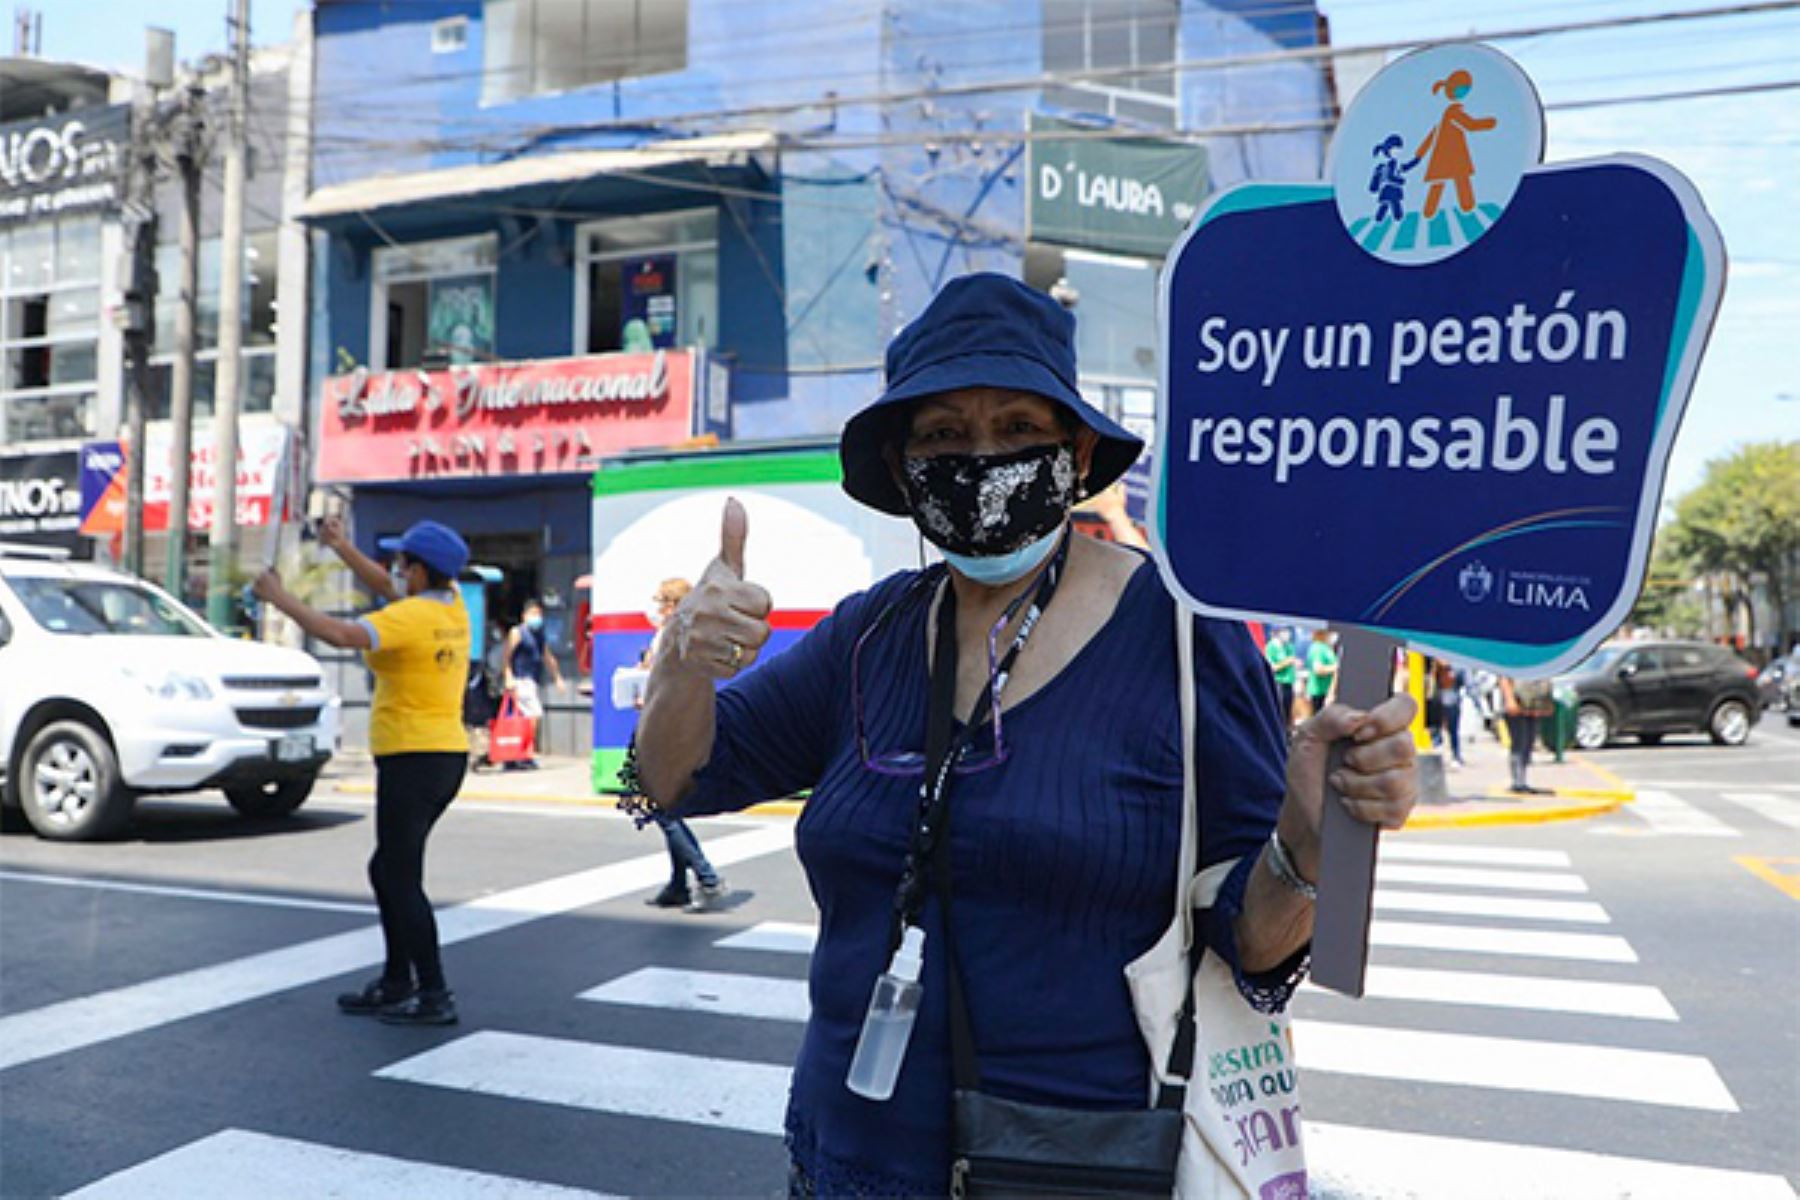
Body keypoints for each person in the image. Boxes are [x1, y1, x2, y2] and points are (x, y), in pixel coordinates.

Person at [629, 273, 1419, 1195]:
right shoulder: (869, 635)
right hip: (846, 1161)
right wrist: (680, 666)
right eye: (942, 435)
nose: (979, 459)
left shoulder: (1181, 637)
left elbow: (1255, 942)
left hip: (1067, 1165)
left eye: (1016, 429)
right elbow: (671, 781)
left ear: (1077, 452)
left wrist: (1309, 843)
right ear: (902, 467)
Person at [253, 517, 472, 1026]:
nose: (394, 572)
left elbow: (339, 633)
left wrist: (277, 597)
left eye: (401, 564)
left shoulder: (409, 619)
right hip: (442, 755)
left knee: (397, 875)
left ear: (418, 572)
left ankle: (433, 993)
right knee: (390, 870)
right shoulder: (451, 606)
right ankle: (399, 982)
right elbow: (385, 585)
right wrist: (341, 546)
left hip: (413, 758)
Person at [638, 578, 727, 913]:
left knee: (663, 808)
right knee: (668, 804)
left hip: (667, 731)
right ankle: (679, 885)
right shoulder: (693, 635)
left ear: (674, 605)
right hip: (681, 728)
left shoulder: (673, 635)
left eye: (661, 600)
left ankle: (707, 877)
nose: (656, 607)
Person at [1411, 68, 1498, 219]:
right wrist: (1490, 123)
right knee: (1456, 180)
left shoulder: (1450, 112)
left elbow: (1431, 136)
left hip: (1447, 154)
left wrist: (1419, 154)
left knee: (1449, 181)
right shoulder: (1452, 112)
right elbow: (1470, 125)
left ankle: (1434, 211)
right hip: (1452, 154)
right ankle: (1459, 208)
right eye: (1463, 90)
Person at [503, 599, 564, 771]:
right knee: (532, 715)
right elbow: (507, 655)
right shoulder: (517, 632)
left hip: (532, 680)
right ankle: (523, 753)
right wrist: (508, 676)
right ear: (524, 616)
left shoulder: (539, 634)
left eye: (539, 614)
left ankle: (520, 754)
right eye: (533, 614)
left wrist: (557, 677)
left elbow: (547, 657)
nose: (537, 618)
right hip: (520, 679)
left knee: (526, 717)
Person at [1499, 674, 1555, 794]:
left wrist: (1547, 702)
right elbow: (1504, 678)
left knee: (1528, 742)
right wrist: (1509, 700)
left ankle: (1522, 780)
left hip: (1533, 706)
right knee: (1519, 743)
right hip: (1516, 705)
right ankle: (1518, 782)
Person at [1264, 626, 1299, 728]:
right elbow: (1271, 667)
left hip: (1289, 682)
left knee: (1287, 713)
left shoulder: (1289, 647)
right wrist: (1287, 662)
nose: (1287, 634)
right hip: (1278, 683)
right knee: (1278, 712)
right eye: (1284, 631)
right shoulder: (1271, 647)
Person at [1436, 659, 1467, 769]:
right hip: (1436, 699)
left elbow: (1466, 681)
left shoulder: (1458, 665)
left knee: (1452, 730)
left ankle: (1456, 755)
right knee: (1437, 729)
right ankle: (1451, 754)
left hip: (1451, 700)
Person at [1305, 628, 1339, 715]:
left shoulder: (1327, 647)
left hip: (1327, 691)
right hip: (1319, 692)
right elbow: (1318, 669)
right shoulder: (1317, 648)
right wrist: (1335, 667)